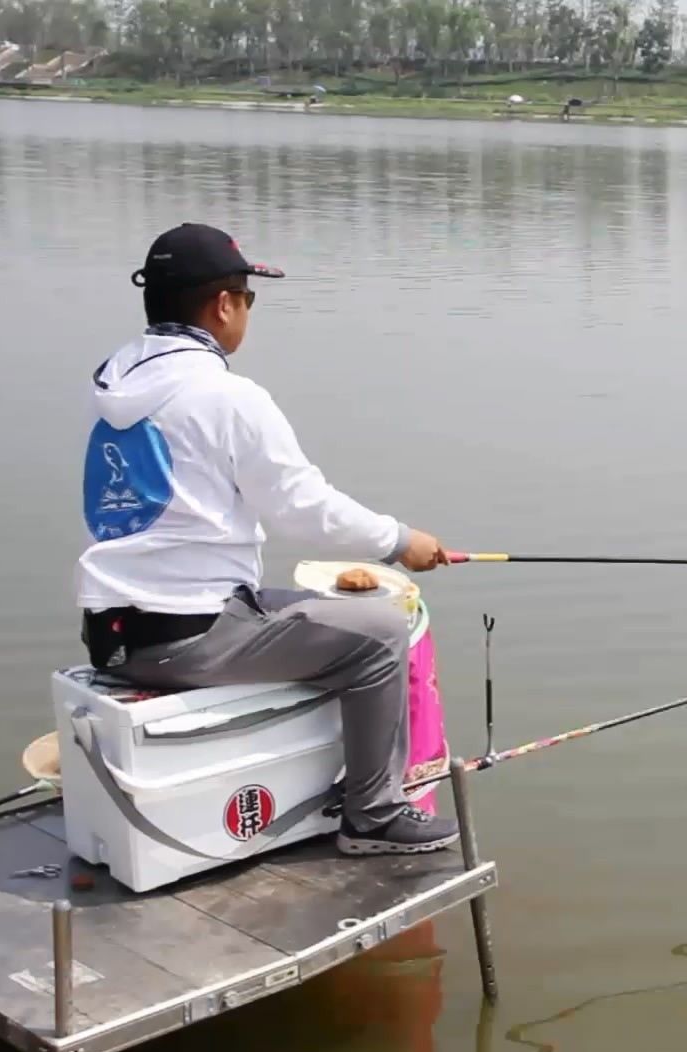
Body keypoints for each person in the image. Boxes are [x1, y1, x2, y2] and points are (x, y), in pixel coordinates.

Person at [75, 222, 459, 856]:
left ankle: (328, 782)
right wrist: (401, 541)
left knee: (321, 610)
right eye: (248, 298)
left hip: (114, 633)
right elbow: (303, 509)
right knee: (383, 633)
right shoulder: (226, 396)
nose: (248, 312)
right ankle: (372, 817)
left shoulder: (114, 388)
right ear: (224, 304)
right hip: (188, 637)